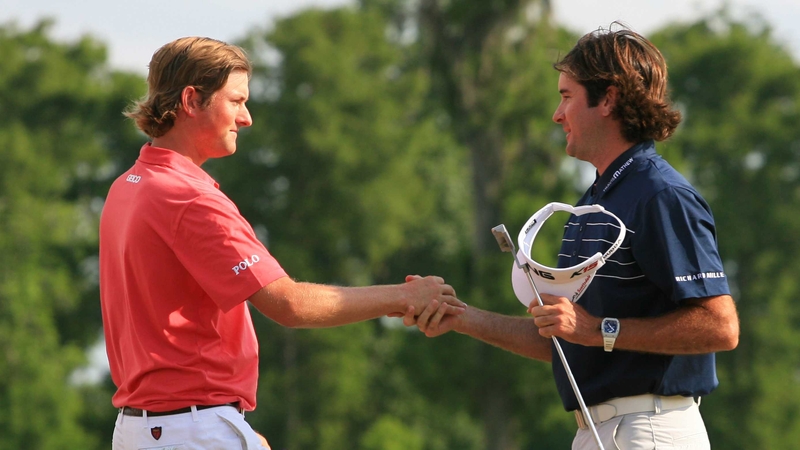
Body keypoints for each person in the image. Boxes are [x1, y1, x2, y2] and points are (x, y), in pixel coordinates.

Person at [99, 36, 465, 450]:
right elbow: (288, 304)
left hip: (143, 430)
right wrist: (406, 296)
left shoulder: (127, 186)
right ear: (191, 100)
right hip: (191, 430)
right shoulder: (190, 197)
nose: (247, 117)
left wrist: (229, 426)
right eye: (236, 101)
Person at [406, 24, 739, 449]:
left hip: (650, 429)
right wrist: (460, 317)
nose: (556, 114)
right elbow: (568, 340)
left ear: (609, 98)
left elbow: (721, 326)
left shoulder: (661, 195)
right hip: (599, 430)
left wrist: (601, 329)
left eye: (566, 96)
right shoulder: (591, 202)